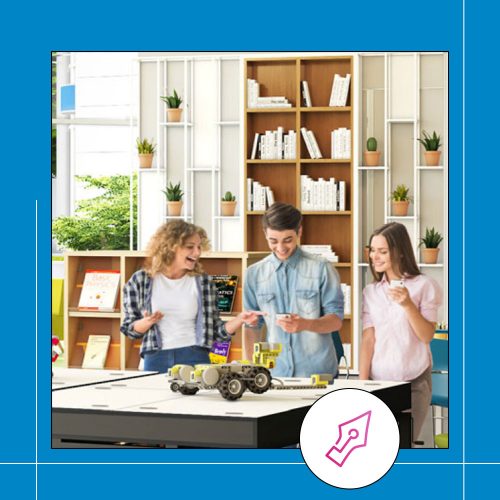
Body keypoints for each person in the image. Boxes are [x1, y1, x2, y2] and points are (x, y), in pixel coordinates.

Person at [120, 220, 260, 373]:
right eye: (190, 247)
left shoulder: (203, 283)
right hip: (155, 358)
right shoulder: (140, 281)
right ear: (170, 247)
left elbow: (216, 332)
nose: (197, 252)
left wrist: (240, 319)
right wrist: (145, 323)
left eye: (199, 246)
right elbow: (129, 328)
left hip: (196, 357)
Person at [360, 222, 443, 441]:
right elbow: (368, 340)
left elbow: (427, 336)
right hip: (377, 384)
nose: (375, 256)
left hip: (413, 384)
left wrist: (407, 305)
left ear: (399, 252)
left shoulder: (424, 285)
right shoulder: (370, 292)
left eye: (383, 251)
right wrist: (361, 386)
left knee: (402, 447)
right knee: (375, 449)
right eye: (373, 250)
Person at [243, 202, 344, 378]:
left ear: (299, 232)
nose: (281, 248)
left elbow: (336, 321)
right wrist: (250, 371)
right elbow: (251, 326)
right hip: (275, 374)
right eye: (273, 241)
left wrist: (305, 324)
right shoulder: (253, 274)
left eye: (288, 240)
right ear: (265, 234)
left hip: (318, 374)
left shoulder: (322, 268)